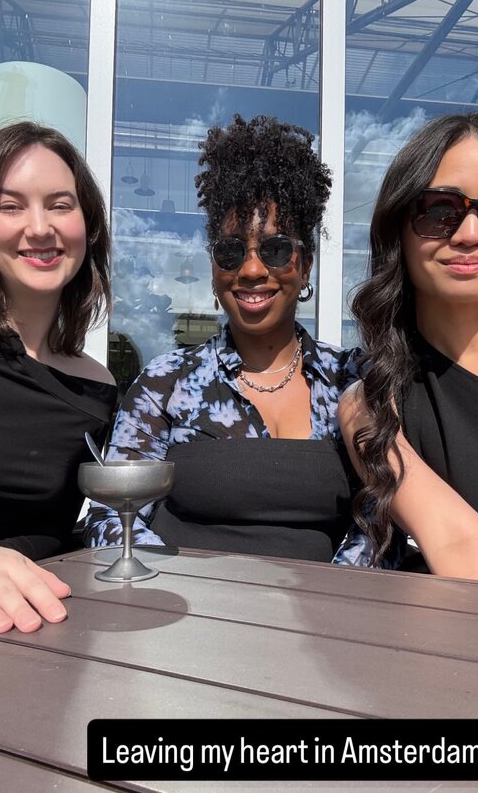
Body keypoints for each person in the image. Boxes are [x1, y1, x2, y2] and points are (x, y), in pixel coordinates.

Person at [84, 113, 381, 565]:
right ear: (213, 268)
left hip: (323, 605)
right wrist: (178, 587)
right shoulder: (167, 382)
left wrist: (334, 592)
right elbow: (111, 515)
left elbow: (383, 517)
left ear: (306, 265)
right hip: (183, 600)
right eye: (231, 251)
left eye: (276, 248)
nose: (252, 269)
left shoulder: (352, 380)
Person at [339, 111, 478, 586]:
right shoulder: (372, 407)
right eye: (440, 210)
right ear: (398, 229)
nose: (470, 235)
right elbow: (459, 543)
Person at [0, 120, 117, 634]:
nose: (40, 228)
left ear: (88, 226)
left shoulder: (97, 387)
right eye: (10, 206)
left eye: (60, 205)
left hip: (40, 633)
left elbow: (55, 531)